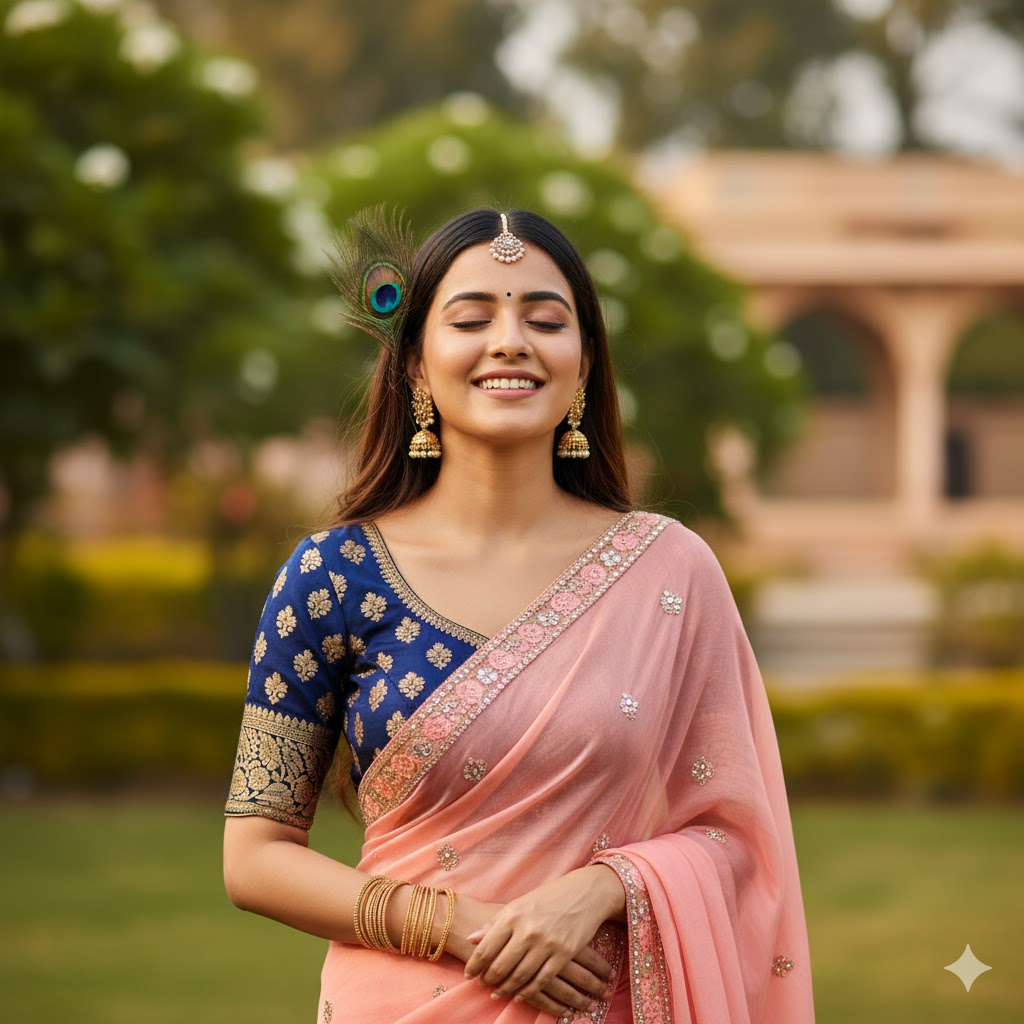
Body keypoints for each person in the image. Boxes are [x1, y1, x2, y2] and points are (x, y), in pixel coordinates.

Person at [223, 207, 814, 1023]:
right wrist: (461, 928)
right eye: (471, 318)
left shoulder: (670, 571)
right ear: (417, 368)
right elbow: (254, 857)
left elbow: (738, 838)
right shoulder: (331, 577)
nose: (509, 341)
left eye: (545, 319)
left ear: (582, 367)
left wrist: (601, 888)